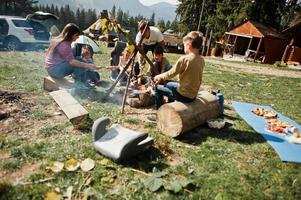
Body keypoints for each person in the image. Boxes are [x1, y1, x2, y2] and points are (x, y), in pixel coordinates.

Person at [153, 31, 205, 110]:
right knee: (169, 84)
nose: (184, 47)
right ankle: (171, 107)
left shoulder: (185, 59)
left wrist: (158, 76)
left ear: (189, 44)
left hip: (183, 95)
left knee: (157, 88)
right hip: (193, 95)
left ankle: (159, 112)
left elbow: (170, 74)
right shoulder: (201, 60)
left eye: (184, 45)